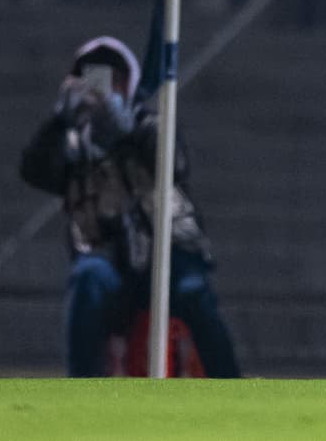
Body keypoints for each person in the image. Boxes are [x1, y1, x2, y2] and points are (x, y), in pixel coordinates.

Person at [19, 36, 241, 378]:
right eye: (91, 77)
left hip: (165, 255)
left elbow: (176, 164)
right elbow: (33, 172)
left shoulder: (152, 125)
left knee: (194, 293)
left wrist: (128, 131)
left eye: (114, 78)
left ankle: (231, 387)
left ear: (129, 84)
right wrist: (57, 121)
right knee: (88, 279)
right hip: (106, 259)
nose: (103, 87)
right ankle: (83, 395)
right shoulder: (71, 142)